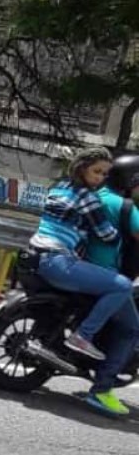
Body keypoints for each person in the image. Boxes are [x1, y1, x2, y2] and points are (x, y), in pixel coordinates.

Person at [28, 147, 133, 363]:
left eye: (104, 174)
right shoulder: (87, 196)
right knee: (122, 285)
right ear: (82, 168)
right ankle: (83, 336)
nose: (101, 178)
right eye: (97, 172)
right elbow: (106, 235)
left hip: (34, 254)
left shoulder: (59, 187)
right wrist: (121, 234)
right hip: (57, 261)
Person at [81, 152, 139, 415]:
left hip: (82, 267)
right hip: (106, 274)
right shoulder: (124, 206)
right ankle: (101, 390)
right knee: (131, 328)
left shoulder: (96, 196)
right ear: (130, 180)